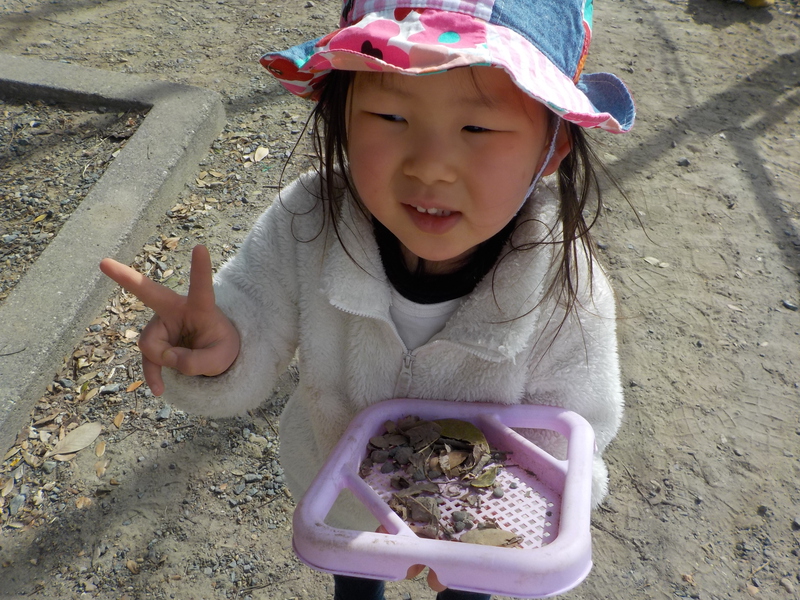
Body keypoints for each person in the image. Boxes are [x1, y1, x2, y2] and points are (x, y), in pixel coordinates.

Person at [100, 0, 634, 598]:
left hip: (480, 524)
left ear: (552, 147)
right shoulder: (309, 220)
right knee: (354, 582)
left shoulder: (564, 283)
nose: (430, 167)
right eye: (390, 114)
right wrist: (222, 349)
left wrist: (490, 531)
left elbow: (573, 430)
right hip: (343, 502)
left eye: (477, 128)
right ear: (342, 116)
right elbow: (252, 311)